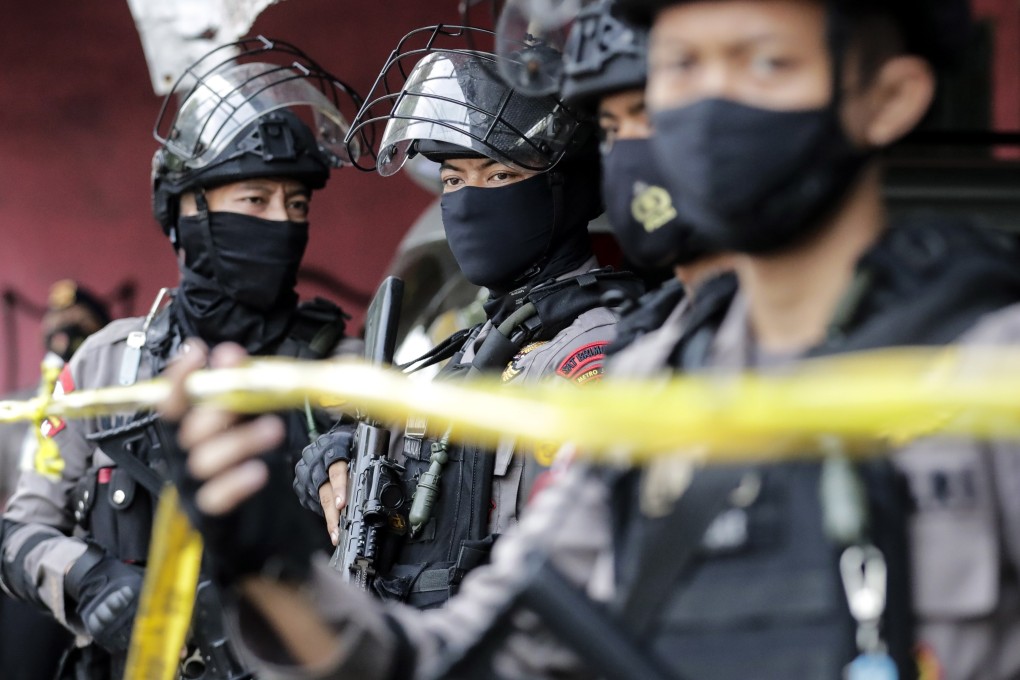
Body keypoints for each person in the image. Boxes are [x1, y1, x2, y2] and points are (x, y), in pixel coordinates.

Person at [161, 1, 1020, 679]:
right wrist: (273, 567)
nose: (705, 105)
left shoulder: (985, 376)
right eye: (679, 67)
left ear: (890, 97)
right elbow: (449, 659)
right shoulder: (650, 386)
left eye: (762, 60)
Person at [0, 37, 361, 680]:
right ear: (187, 212)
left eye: (297, 204)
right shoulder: (105, 365)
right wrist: (85, 578)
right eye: (255, 200)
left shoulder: (347, 369)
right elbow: (19, 533)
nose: (282, 222)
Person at [292, 27, 643, 609]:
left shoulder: (590, 349)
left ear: (567, 190)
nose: (470, 198)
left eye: (500, 175)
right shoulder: (482, 340)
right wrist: (340, 456)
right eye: (454, 179)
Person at [0, 279, 107, 680]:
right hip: (27, 569)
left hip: (100, 568)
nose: (64, 337)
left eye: (78, 326)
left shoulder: (120, 405)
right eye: (56, 327)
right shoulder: (19, 409)